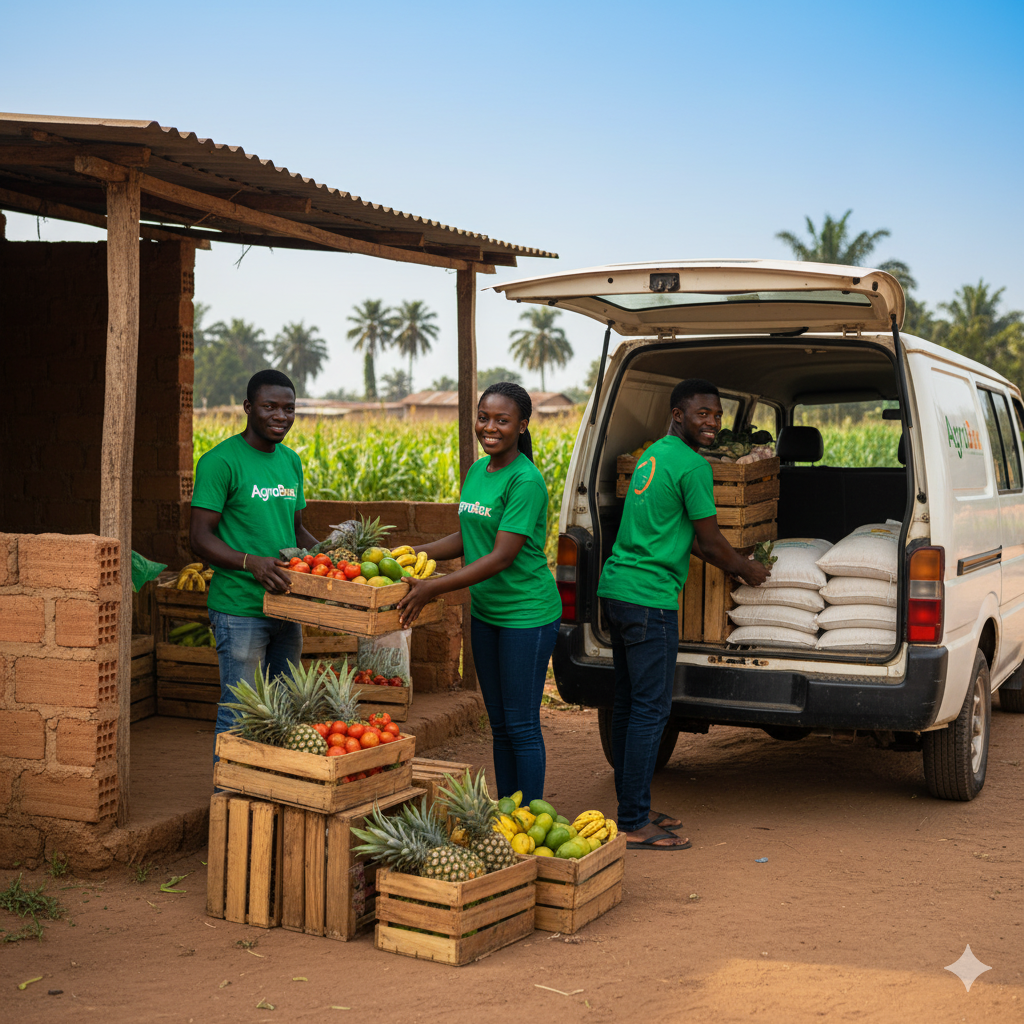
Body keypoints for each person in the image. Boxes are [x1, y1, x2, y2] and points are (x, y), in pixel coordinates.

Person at [597, 379, 771, 850]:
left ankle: (633, 806)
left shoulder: (653, 455)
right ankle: (633, 821)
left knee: (631, 704)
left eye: (716, 414)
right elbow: (710, 540)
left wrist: (725, 561)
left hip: (618, 588)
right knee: (650, 710)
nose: (712, 422)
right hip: (650, 598)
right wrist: (746, 568)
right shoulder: (693, 466)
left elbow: (677, 533)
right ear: (678, 415)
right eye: (702, 414)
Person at [396, 382, 561, 803]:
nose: (489, 427)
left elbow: (501, 556)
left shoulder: (525, 481)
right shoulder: (478, 471)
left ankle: (530, 817)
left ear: (522, 425)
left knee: (521, 724)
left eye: (502, 420)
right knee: (500, 723)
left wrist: (432, 587)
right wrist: (413, 553)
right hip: (487, 614)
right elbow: (469, 535)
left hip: (527, 615)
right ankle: (508, 809)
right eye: (484, 417)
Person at [189, 369, 319, 749]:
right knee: (241, 712)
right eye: (270, 407)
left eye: (289, 409)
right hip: (239, 609)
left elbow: (296, 532)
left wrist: (331, 558)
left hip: (286, 607)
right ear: (248, 407)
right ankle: (226, 802)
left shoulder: (290, 461)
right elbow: (199, 538)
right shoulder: (220, 462)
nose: (281, 416)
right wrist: (252, 563)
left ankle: (267, 795)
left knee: (284, 711)